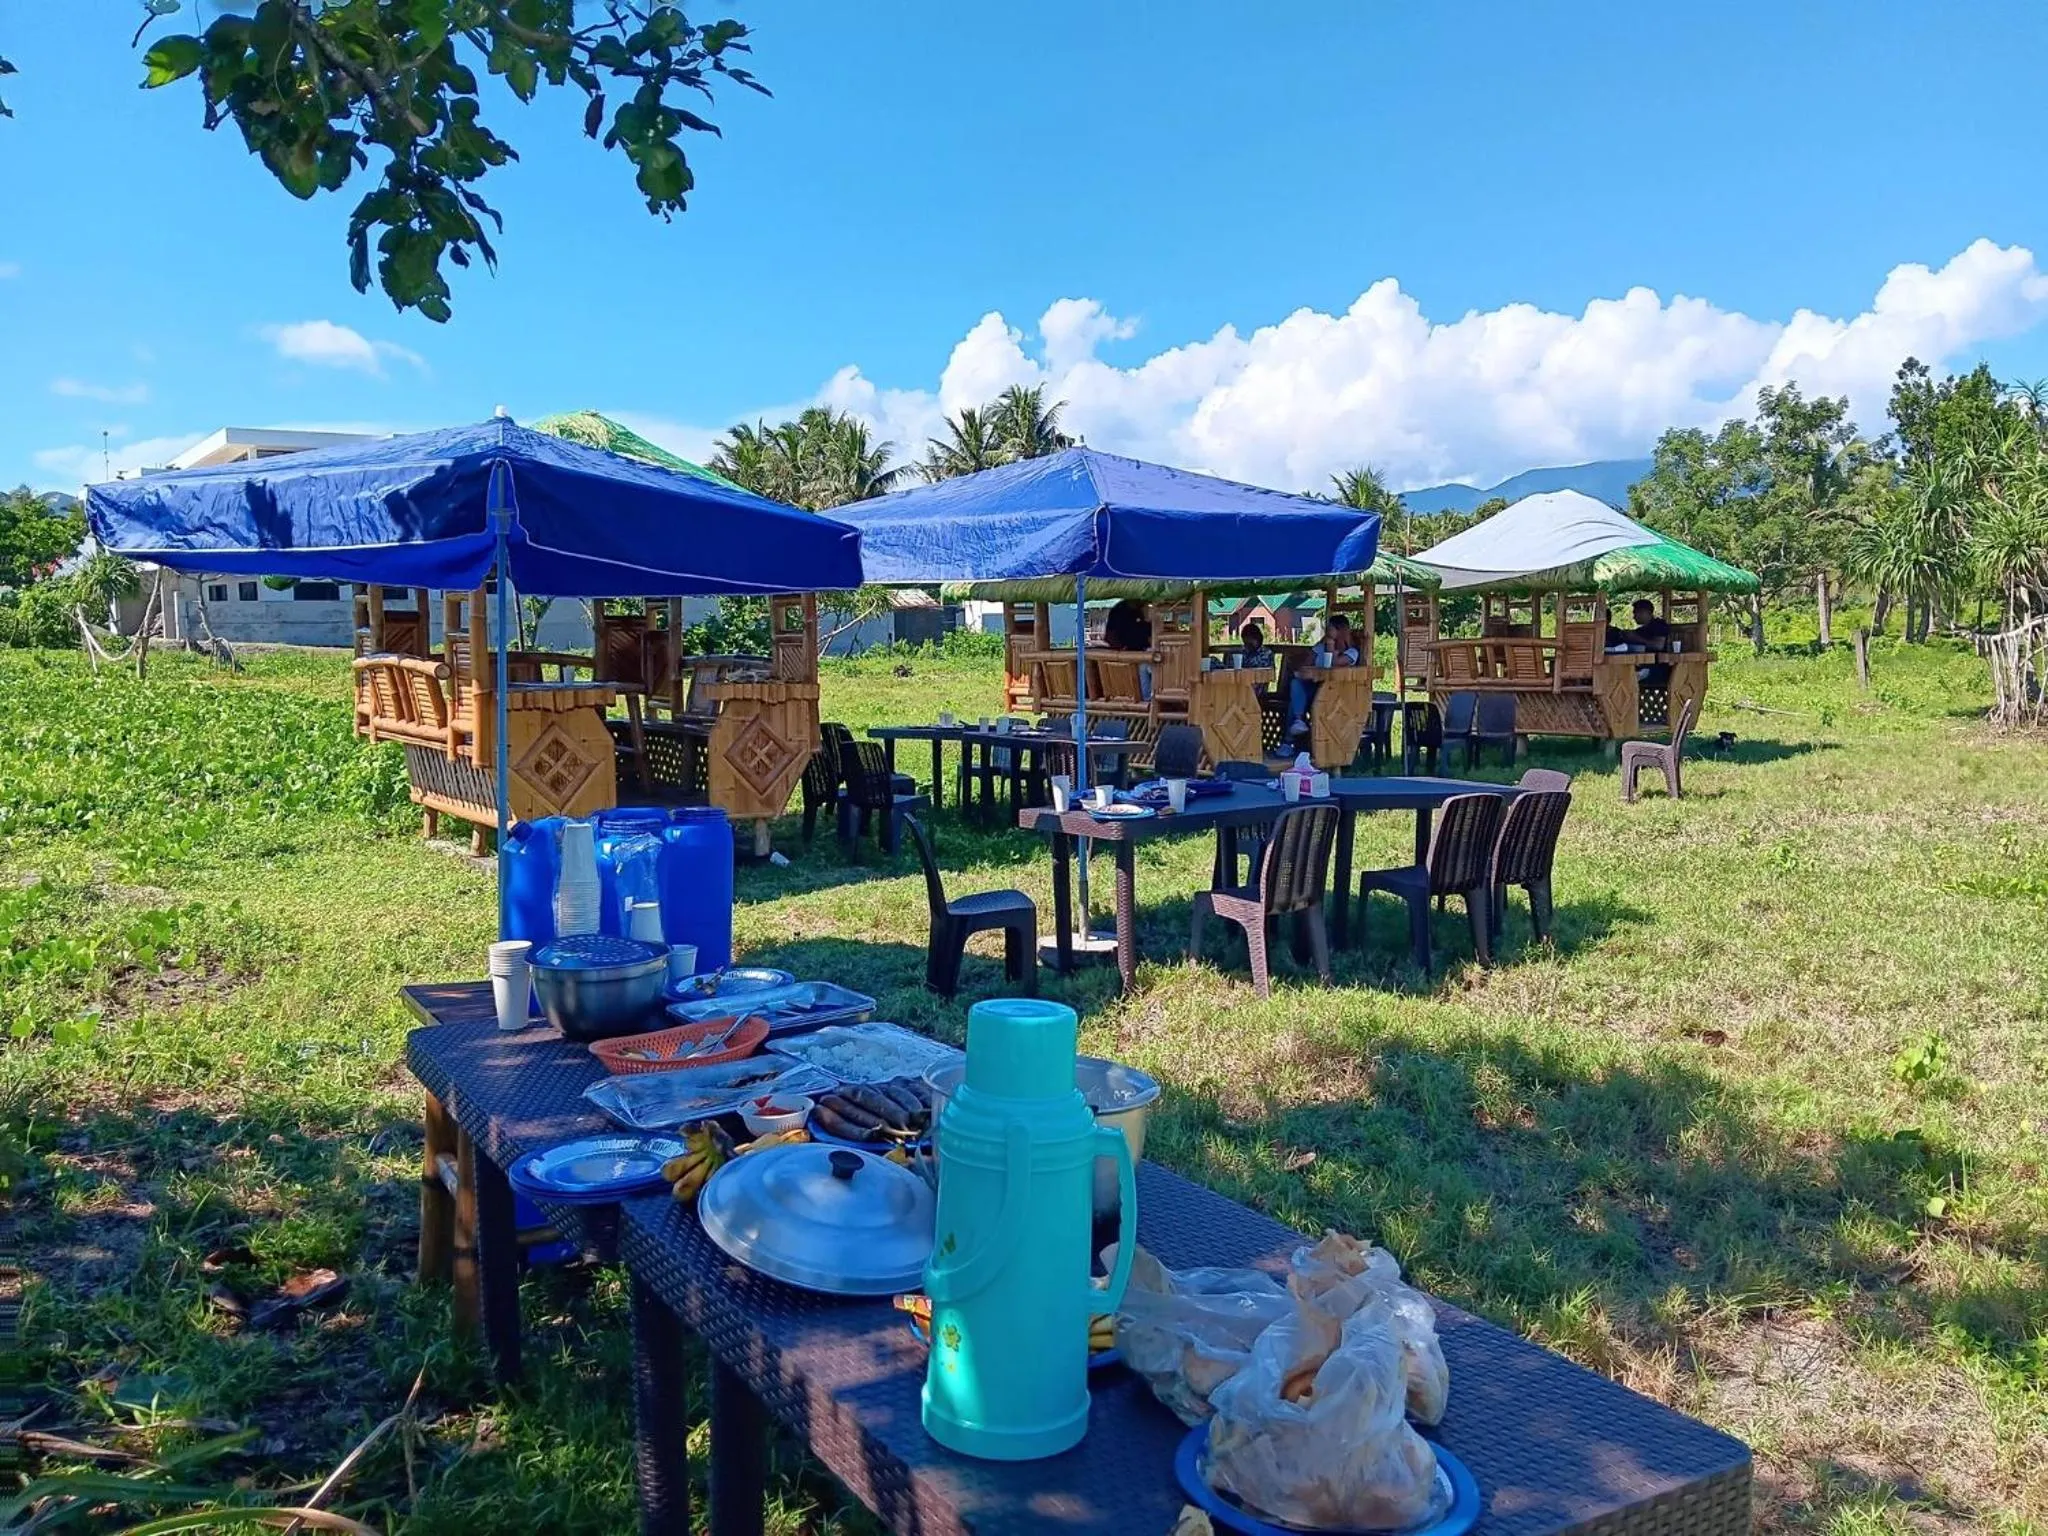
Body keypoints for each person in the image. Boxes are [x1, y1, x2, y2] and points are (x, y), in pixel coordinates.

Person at [1288, 613, 1360, 736]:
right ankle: (1298, 723)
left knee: (1295, 704)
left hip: (1337, 691)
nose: (1327, 631)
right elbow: (1305, 664)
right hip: (1315, 686)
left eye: (1331, 628)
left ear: (1340, 631)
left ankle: (1290, 741)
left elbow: (1334, 664)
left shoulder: (1351, 652)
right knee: (1296, 687)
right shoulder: (1320, 647)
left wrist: (1331, 646)